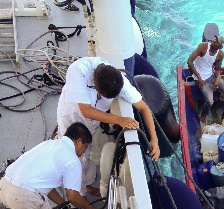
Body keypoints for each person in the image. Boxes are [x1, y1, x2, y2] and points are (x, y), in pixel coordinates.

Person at [57, 56, 160, 196]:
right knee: (72, 155)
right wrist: (119, 119)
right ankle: (76, 190)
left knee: (86, 152)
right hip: (71, 117)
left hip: (92, 123)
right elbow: (85, 110)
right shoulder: (78, 70)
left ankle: (86, 183)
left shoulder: (118, 80)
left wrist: (154, 140)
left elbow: (144, 108)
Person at [0, 122, 95, 209]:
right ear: (79, 141)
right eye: (85, 147)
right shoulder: (71, 160)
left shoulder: (49, 144)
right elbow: (73, 196)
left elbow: (47, 186)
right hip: (24, 196)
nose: (83, 152)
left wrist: (65, 206)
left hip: (5, 185)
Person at [187, 34, 224, 124]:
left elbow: (217, 69)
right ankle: (204, 113)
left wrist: (217, 80)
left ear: (220, 47)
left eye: (217, 42)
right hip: (201, 79)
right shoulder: (203, 47)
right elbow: (189, 61)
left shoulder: (220, 54)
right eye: (215, 39)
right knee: (209, 101)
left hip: (211, 76)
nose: (214, 42)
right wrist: (199, 78)